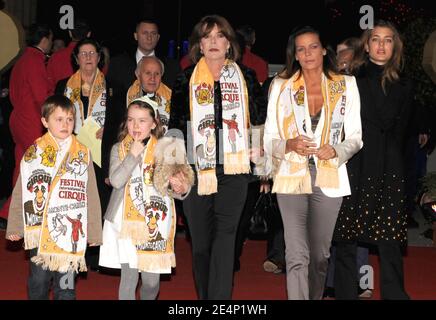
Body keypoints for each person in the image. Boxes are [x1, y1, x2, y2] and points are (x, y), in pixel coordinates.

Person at [263, 26, 363, 300]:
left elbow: (356, 137)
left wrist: (338, 150)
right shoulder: (281, 86)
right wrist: (287, 144)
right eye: (301, 48)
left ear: (323, 50)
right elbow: (269, 137)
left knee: (319, 256)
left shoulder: (346, 85)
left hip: (329, 177)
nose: (307, 53)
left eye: (313, 46)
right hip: (291, 175)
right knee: (296, 254)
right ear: (294, 54)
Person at [168, 14, 263, 300]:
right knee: (200, 245)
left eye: (219, 36)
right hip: (196, 169)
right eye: (207, 36)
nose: (213, 42)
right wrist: (175, 169)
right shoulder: (186, 78)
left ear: (229, 43)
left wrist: (260, 158)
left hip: (235, 169)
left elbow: (258, 121)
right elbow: (174, 127)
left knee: (225, 239)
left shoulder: (245, 77)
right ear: (198, 44)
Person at [333, 20, 414, 300]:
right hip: (356, 162)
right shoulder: (350, 79)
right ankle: (344, 293)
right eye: (375, 39)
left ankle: (395, 295)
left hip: (389, 164)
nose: (381, 45)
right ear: (366, 45)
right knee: (346, 237)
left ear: (395, 46)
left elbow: (402, 129)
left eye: (387, 40)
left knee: (390, 240)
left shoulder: (404, 84)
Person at [5, 94, 102, 299]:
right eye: (59, 119)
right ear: (44, 121)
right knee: (39, 281)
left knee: (66, 287)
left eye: (69, 119)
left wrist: (94, 230)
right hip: (40, 230)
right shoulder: (34, 154)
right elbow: (21, 191)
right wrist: (15, 225)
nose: (65, 124)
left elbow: (91, 194)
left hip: (70, 237)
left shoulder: (83, 153)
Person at [99, 98, 190, 300]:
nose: (135, 126)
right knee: (129, 279)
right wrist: (132, 155)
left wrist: (181, 187)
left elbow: (181, 189)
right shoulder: (119, 148)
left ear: (154, 123)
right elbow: (116, 180)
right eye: (131, 120)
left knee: (151, 282)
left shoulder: (167, 149)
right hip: (125, 222)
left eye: (142, 120)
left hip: (156, 222)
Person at [55, 38, 123, 270]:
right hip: (71, 152)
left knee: (99, 202)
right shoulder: (63, 85)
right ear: (75, 58)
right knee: (73, 200)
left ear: (99, 57)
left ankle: (96, 255)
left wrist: (109, 129)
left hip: (99, 153)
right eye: (83, 54)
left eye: (92, 53)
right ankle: (72, 248)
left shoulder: (113, 86)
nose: (87, 58)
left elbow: (121, 122)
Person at [324, 36, 372, 299]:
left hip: (358, 162)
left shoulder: (360, 85)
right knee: (333, 231)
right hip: (333, 163)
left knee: (356, 232)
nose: (341, 59)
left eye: (346, 54)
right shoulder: (328, 85)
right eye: (338, 54)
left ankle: (362, 281)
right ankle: (332, 283)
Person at [0, 23, 53, 226]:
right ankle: (16, 212)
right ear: (45, 39)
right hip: (31, 120)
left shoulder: (22, 59)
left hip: (18, 119)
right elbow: (41, 97)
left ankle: (10, 213)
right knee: (35, 168)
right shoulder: (35, 60)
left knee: (21, 166)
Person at [106, 18, 180, 93]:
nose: (149, 38)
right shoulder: (117, 64)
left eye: (153, 33)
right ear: (135, 36)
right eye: (145, 33)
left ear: (158, 37)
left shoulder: (172, 67)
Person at [47, 18, 91, 93]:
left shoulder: (55, 57)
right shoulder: (94, 57)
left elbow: (48, 86)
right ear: (89, 34)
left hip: (60, 102)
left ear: (70, 33)